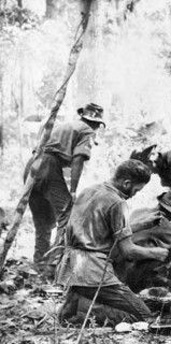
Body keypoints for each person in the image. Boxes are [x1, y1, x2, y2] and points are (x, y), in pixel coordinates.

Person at [57, 160, 169, 325]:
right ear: (126, 183)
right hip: (94, 271)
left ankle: (74, 311)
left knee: (66, 317)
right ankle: (88, 315)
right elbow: (128, 250)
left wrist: (142, 224)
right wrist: (157, 253)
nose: (135, 194)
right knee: (145, 316)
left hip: (71, 265)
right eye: (137, 190)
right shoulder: (117, 202)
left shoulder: (89, 191)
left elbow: (99, 230)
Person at [26, 103, 105, 273]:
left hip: (32, 165)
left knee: (43, 221)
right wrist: (74, 190)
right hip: (48, 166)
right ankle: (54, 264)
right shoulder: (87, 131)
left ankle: (39, 264)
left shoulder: (66, 125)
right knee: (68, 215)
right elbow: (78, 159)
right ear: (96, 123)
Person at [114, 190, 171, 292]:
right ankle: (144, 285)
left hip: (117, 268)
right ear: (170, 212)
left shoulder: (138, 211)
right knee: (167, 252)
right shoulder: (163, 223)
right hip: (133, 273)